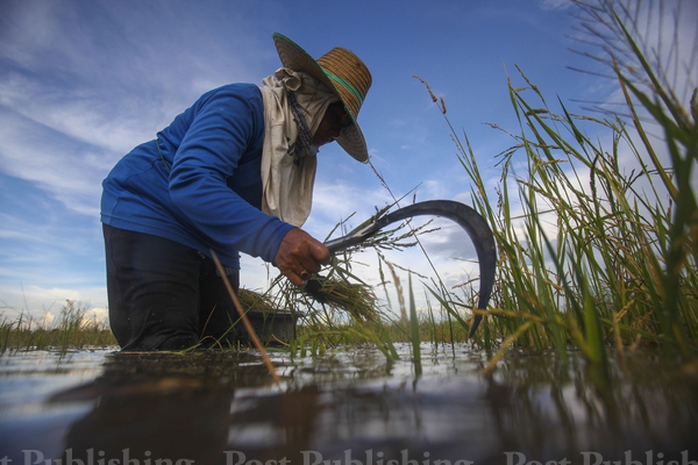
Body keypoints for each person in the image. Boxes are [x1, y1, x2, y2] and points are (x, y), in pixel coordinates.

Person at [100, 33, 372, 351]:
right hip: (154, 211)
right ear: (312, 94)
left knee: (221, 346)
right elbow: (191, 181)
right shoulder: (242, 105)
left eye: (346, 124)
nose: (339, 129)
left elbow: (258, 217)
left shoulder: (293, 154)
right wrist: (276, 240)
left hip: (215, 238)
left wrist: (292, 254)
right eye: (336, 114)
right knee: (165, 346)